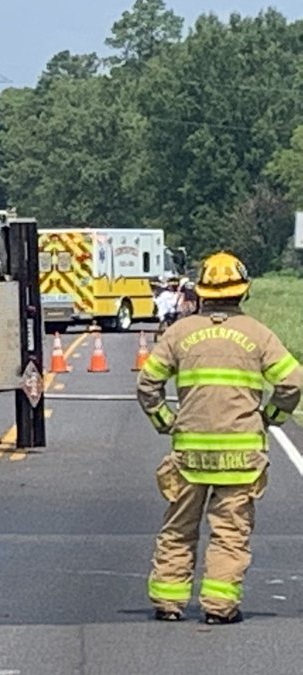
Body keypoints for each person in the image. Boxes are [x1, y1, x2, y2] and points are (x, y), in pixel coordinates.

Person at [137, 251, 301, 624]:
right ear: (244, 292)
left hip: (190, 456)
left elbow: (148, 383)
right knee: (229, 535)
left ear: (202, 292)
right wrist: (271, 416)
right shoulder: (259, 335)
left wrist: (165, 420)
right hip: (240, 459)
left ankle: (168, 603)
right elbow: (291, 382)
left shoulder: (179, 333)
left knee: (178, 529)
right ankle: (219, 609)